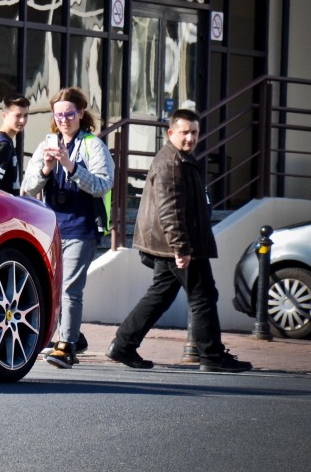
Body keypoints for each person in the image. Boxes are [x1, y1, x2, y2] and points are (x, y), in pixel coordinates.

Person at [106, 109, 251, 372]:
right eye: (185, 132)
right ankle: (212, 356)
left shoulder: (179, 159)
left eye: (195, 132)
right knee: (203, 295)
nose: (190, 138)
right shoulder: (171, 163)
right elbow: (170, 210)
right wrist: (181, 247)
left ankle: (123, 344)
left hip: (173, 243)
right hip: (180, 245)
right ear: (171, 132)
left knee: (161, 294)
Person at [21, 87, 113, 369]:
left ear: (80, 114)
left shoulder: (92, 145)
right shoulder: (47, 143)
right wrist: (47, 168)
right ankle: (71, 335)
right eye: (58, 114)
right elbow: (27, 189)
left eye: (69, 114)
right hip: (51, 229)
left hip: (81, 227)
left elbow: (102, 184)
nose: (63, 119)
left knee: (70, 290)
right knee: (51, 287)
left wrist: (70, 167)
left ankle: (67, 346)